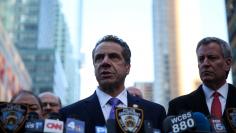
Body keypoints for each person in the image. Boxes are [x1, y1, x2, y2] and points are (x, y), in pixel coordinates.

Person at [60, 35, 166, 132]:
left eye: (113, 57)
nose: (105, 62)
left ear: (127, 67)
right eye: (99, 58)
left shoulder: (155, 113)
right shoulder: (69, 114)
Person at [167, 37, 236, 132]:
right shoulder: (178, 106)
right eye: (201, 59)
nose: (205, 63)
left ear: (227, 64)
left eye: (212, 58)